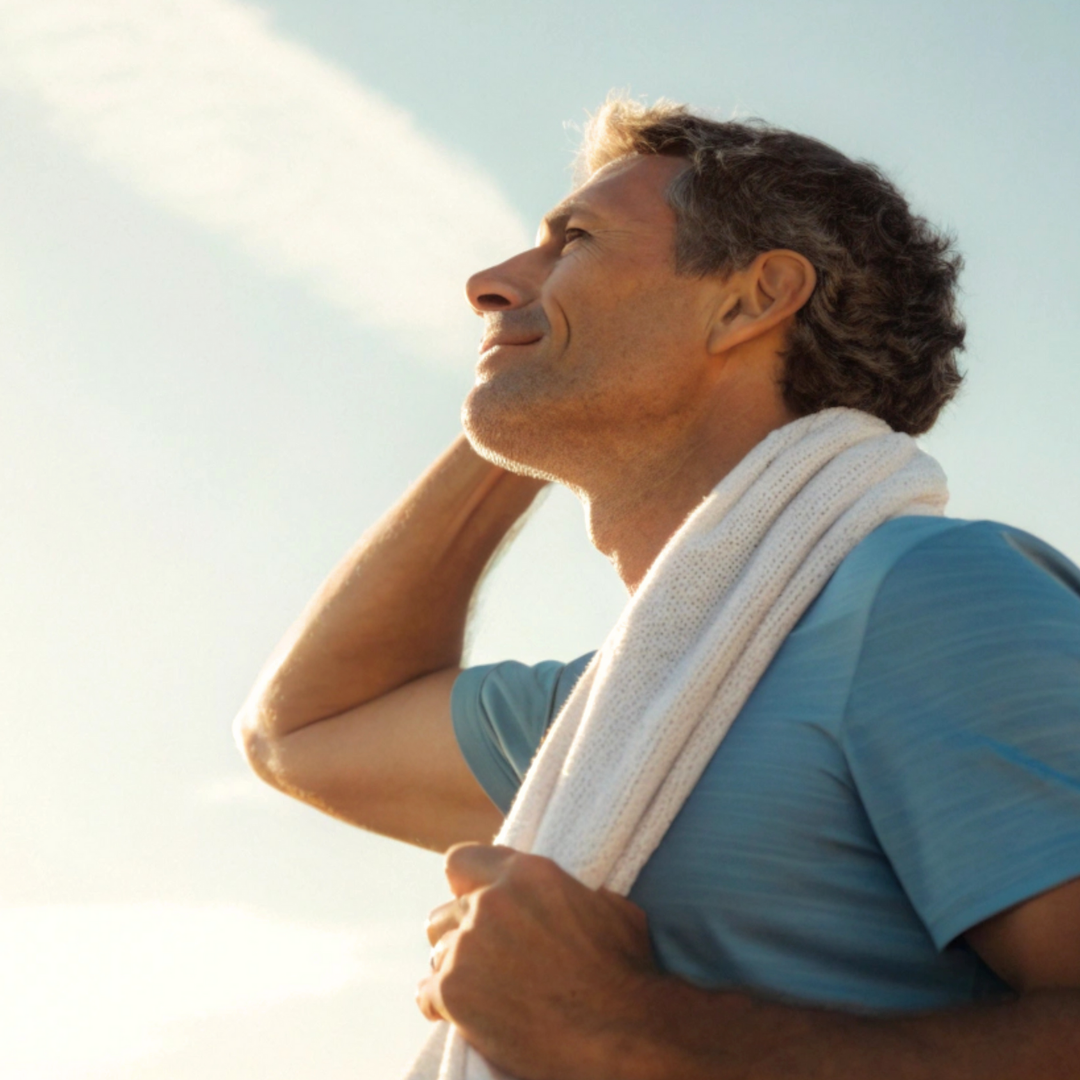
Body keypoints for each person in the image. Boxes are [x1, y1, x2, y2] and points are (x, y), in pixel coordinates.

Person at [235, 97, 1080, 1078]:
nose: (490, 282)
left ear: (749, 299)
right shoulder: (633, 716)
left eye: (574, 242)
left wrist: (624, 1030)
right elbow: (307, 731)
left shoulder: (919, 595)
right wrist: (531, 392)